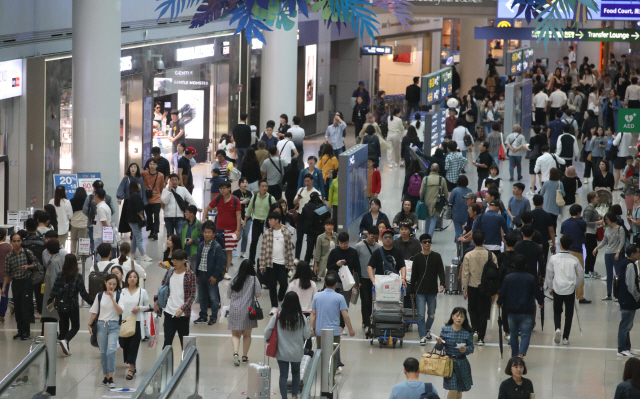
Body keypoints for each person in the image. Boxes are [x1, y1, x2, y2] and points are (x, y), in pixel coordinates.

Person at [264, 290, 311, 399]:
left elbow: (267, 330)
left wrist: (267, 339)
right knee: (296, 373)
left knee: (283, 375)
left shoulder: (278, 316)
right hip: (296, 352)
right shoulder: (301, 318)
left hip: (282, 352)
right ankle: (294, 395)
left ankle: (284, 397)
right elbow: (307, 335)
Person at [497, 252, 544, 357]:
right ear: (526, 265)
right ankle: (521, 353)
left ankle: (514, 356)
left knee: (513, 335)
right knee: (526, 335)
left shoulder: (508, 278)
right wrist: (541, 302)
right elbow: (537, 292)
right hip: (526, 311)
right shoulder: (531, 278)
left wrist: (499, 302)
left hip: (511, 311)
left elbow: (502, 292)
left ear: (514, 264)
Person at [310, 271, 355, 377]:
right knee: (334, 355)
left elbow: (313, 314)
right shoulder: (339, 297)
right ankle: (331, 376)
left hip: (320, 330)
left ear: (325, 283)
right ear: (336, 284)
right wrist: (351, 329)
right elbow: (345, 316)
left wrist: (311, 328)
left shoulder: (317, 296)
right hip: (334, 331)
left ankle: (323, 375)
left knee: (321, 352)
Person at [48, 253, 92, 355]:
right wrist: (91, 302)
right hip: (72, 306)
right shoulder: (78, 276)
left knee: (63, 328)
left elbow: (54, 290)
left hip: (60, 305)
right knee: (75, 327)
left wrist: (49, 301)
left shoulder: (60, 275)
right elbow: (83, 293)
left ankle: (66, 349)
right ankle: (66, 341)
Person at [545, 235, 584, 346]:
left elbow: (549, 275)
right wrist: (576, 286)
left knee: (557, 311)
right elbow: (581, 275)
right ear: (570, 245)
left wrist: (550, 287)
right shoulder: (574, 259)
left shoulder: (553, 258)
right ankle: (566, 337)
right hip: (570, 289)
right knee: (569, 313)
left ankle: (557, 328)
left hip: (557, 288)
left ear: (560, 244)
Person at [461, 231, 498, 346]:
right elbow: (495, 272)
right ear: (484, 241)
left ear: (473, 241)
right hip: (486, 288)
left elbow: (465, 273)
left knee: (472, 310)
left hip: (472, 287)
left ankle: (475, 331)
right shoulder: (491, 255)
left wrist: (464, 289)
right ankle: (481, 338)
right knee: (483, 312)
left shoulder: (468, 255)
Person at [154, 249, 196, 349]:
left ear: (184, 260)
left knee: (185, 344)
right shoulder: (170, 272)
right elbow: (163, 287)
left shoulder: (190, 275)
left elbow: (192, 295)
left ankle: (184, 363)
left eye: (177, 260)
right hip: (169, 312)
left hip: (183, 315)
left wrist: (183, 308)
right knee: (167, 343)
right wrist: (156, 301)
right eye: (173, 260)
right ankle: (165, 364)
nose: (174, 262)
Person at [2, 233, 41, 339]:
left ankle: (26, 332)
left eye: (18, 241)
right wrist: (4, 287)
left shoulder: (27, 252)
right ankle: (19, 331)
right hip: (16, 283)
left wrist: (28, 267)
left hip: (26, 282)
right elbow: (7, 272)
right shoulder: (9, 256)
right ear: (11, 242)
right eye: (14, 241)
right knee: (17, 308)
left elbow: (37, 264)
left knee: (25, 308)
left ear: (21, 241)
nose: (17, 243)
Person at [409, 233, 445, 344]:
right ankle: (422, 336)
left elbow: (441, 272)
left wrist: (443, 283)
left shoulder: (436, 256)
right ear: (421, 243)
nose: (427, 244)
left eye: (429, 241)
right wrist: (412, 290)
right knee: (420, 314)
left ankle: (427, 329)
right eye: (425, 242)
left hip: (432, 290)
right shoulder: (417, 257)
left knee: (431, 314)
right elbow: (413, 275)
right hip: (420, 291)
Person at [88, 273, 123, 388]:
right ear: (105, 283)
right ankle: (105, 376)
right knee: (103, 351)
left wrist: (113, 299)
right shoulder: (99, 296)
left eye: (114, 284)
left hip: (114, 325)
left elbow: (120, 311)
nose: (111, 286)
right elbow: (94, 311)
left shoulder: (119, 295)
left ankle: (111, 377)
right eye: (110, 284)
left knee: (111, 351)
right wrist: (89, 324)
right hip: (101, 324)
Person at [259, 212, 295, 315]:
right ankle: (274, 306)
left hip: (283, 263)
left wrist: (291, 265)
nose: (269, 222)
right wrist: (262, 264)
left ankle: (279, 300)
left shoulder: (286, 233)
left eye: (271, 220)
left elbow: (289, 249)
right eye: (268, 220)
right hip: (271, 263)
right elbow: (263, 250)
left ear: (277, 220)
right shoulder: (267, 233)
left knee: (284, 284)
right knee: (272, 285)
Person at [203, 181, 241, 279]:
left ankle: (226, 271)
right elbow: (207, 208)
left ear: (229, 188)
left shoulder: (235, 200)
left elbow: (238, 216)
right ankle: (215, 270)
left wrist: (237, 230)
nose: (222, 190)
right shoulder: (218, 198)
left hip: (231, 230)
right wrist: (203, 220)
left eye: (224, 188)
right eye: (220, 189)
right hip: (219, 229)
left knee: (229, 251)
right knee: (216, 249)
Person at [227, 260, 262, 366]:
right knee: (247, 335)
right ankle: (244, 356)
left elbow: (229, 295)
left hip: (235, 310)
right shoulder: (254, 279)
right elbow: (258, 294)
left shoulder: (234, 278)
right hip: (249, 311)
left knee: (235, 335)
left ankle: (235, 353)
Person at [434, 307, 475, 398]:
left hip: (462, 363)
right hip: (449, 363)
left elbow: (471, 348)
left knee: (459, 389)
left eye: (462, 316)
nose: (459, 318)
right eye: (457, 316)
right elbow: (439, 348)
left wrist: (466, 349)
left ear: (465, 319)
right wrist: (439, 343)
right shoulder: (445, 330)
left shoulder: (467, 332)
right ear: (452, 316)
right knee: (453, 388)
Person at [118, 270, 150, 379]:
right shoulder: (122, 291)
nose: (132, 279)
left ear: (137, 279)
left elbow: (148, 306)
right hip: (124, 321)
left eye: (135, 277)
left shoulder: (142, 292)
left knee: (133, 345)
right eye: (130, 277)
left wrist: (139, 308)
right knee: (123, 343)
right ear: (126, 279)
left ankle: (131, 368)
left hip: (137, 321)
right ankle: (131, 363)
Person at [193, 222, 225, 325]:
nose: (206, 234)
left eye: (209, 232)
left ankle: (213, 316)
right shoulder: (201, 245)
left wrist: (215, 276)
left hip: (211, 276)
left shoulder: (217, 247)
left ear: (214, 234)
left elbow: (220, 264)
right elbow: (198, 260)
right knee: (202, 297)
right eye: (205, 232)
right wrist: (197, 274)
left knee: (213, 298)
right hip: (201, 274)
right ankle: (203, 316)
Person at [559, 204, 590, 304]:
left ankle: (564, 294)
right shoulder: (582, 223)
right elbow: (584, 236)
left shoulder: (564, 223)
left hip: (566, 251)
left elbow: (562, 237)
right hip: (577, 251)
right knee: (579, 274)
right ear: (578, 213)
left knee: (565, 274)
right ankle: (580, 296)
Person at [595, 212, 627, 300]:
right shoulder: (607, 230)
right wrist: (597, 248)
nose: (606, 221)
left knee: (618, 274)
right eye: (605, 220)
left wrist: (618, 252)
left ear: (612, 219)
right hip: (608, 254)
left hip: (616, 254)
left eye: (608, 219)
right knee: (609, 275)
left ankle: (618, 294)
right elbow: (604, 241)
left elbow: (622, 241)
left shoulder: (620, 229)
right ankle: (609, 294)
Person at [616, 245, 640, 357]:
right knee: (625, 325)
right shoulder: (630, 265)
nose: (639, 254)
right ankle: (621, 349)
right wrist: (637, 297)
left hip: (626, 299)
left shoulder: (627, 263)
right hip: (628, 299)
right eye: (638, 252)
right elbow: (630, 285)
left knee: (627, 325)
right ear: (632, 254)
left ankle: (627, 347)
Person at [245, 180, 276, 262]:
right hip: (256, 222)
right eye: (263, 186)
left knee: (268, 243)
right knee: (253, 242)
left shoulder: (271, 198)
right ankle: (251, 262)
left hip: (267, 223)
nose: (265, 188)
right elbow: (249, 210)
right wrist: (244, 221)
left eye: (266, 186)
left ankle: (268, 261)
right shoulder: (254, 197)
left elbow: (276, 211)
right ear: (259, 187)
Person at [116, 163, 147, 235]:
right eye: (131, 167)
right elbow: (121, 188)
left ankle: (134, 233)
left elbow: (142, 190)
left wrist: (143, 202)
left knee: (136, 219)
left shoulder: (140, 179)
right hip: (128, 201)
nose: (133, 169)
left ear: (137, 169)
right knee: (128, 218)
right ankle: (131, 232)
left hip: (137, 201)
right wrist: (120, 197)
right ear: (129, 169)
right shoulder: (126, 179)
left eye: (135, 167)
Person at [419, 163, 449, 237]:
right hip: (437, 203)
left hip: (427, 202)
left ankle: (426, 235)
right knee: (434, 219)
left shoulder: (425, 179)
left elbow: (421, 192)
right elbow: (445, 193)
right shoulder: (442, 179)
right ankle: (429, 237)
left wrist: (421, 199)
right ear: (438, 170)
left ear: (430, 169)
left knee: (427, 219)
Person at [41, 239, 63, 333]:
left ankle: (48, 334)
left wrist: (54, 295)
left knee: (50, 313)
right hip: (51, 292)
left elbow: (54, 279)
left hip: (51, 293)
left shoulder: (54, 262)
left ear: (48, 250)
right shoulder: (57, 260)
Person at [126, 181, 151, 262]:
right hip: (135, 220)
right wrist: (142, 218)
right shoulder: (136, 195)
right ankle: (144, 255)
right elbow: (139, 209)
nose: (140, 185)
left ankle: (132, 254)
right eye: (139, 184)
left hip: (131, 219)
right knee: (139, 237)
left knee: (135, 237)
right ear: (136, 185)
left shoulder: (132, 195)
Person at [141, 158, 164, 241]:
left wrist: (159, 194)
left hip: (157, 198)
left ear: (157, 165)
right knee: (149, 216)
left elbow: (161, 187)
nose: (152, 166)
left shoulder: (160, 175)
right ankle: (151, 231)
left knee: (156, 216)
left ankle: (156, 232)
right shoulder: (144, 174)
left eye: (154, 164)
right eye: (150, 164)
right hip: (147, 199)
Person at [449, 176, 473, 242]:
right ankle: (458, 241)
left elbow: (450, 201)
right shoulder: (469, 190)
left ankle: (458, 244)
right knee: (463, 229)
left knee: (458, 230)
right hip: (467, 214)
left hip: (456, 214)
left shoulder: (455, 190)